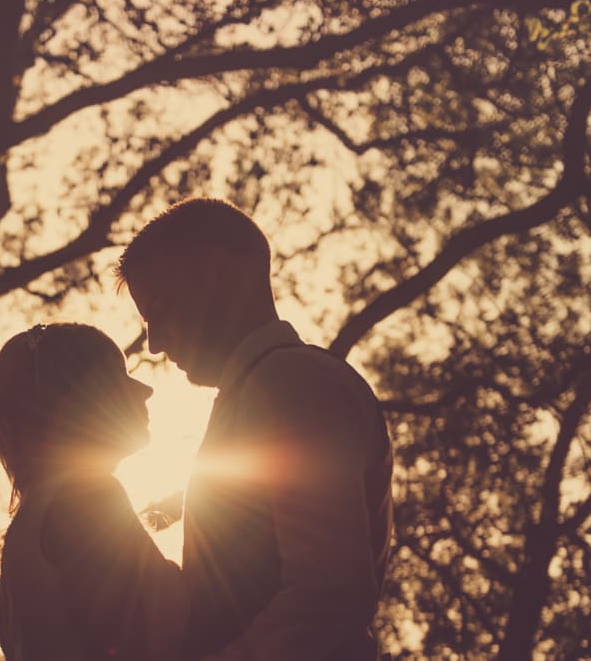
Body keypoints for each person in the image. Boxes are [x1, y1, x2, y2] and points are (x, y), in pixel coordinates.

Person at [115, 197, 394, 661]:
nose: (156, 342)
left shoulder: (292, 384)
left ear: (219, 275)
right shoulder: (262, 391)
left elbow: (328, 594)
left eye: (160, 310)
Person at [0, 323, 187, 661]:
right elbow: (174, 630)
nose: (145, 390)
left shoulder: (32, 520)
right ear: (80, 398)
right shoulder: (85, 497)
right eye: (119, 376)